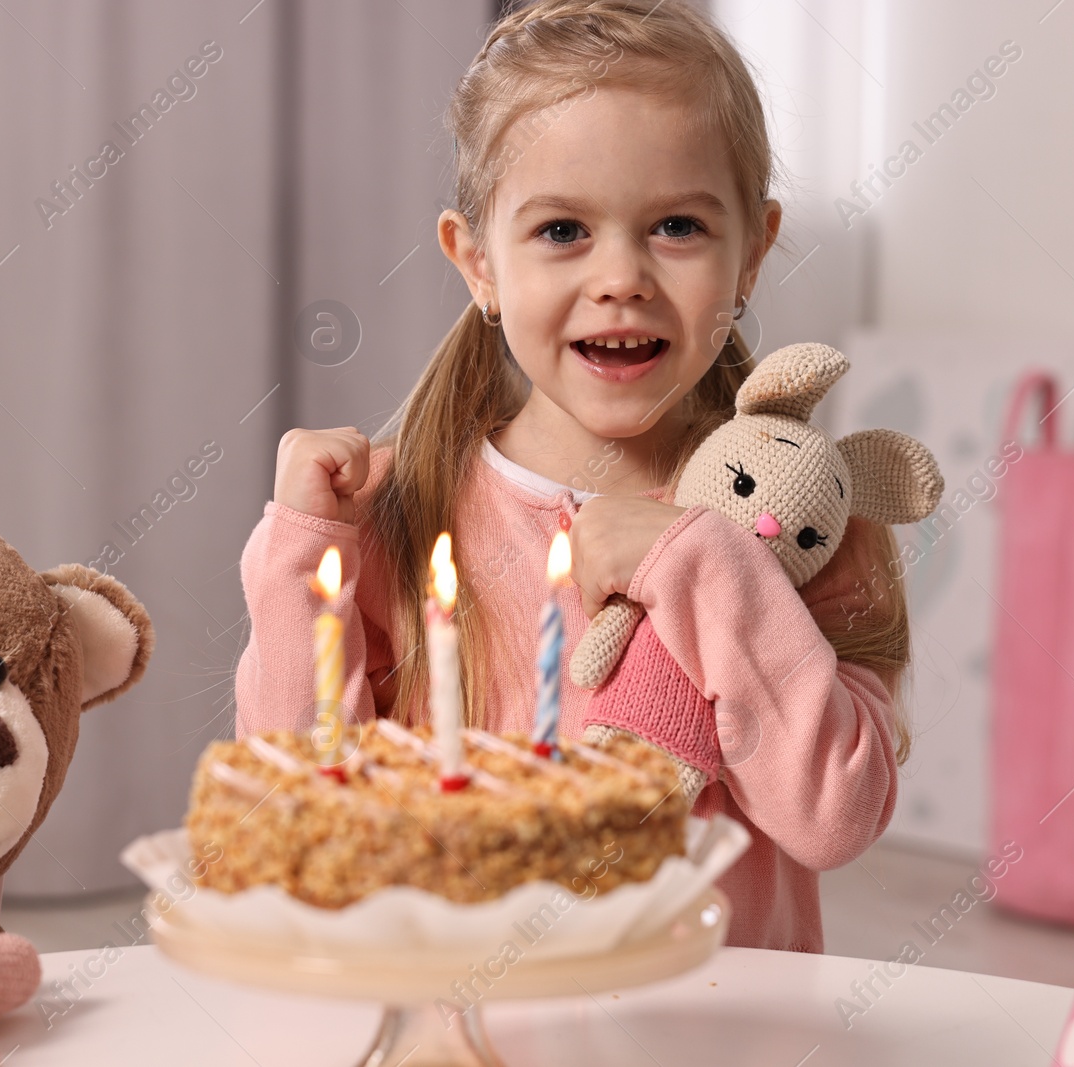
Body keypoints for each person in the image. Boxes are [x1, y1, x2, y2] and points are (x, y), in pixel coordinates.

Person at [235, 0, 912, 954]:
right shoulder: (402, 508)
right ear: (478, 263)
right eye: (562, 231)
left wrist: (705, 564)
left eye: (677, 225)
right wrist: (301, 561)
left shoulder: (803, 521)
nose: (622, 276)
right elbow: (295, 808)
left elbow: (833, 816)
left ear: (752, 251)